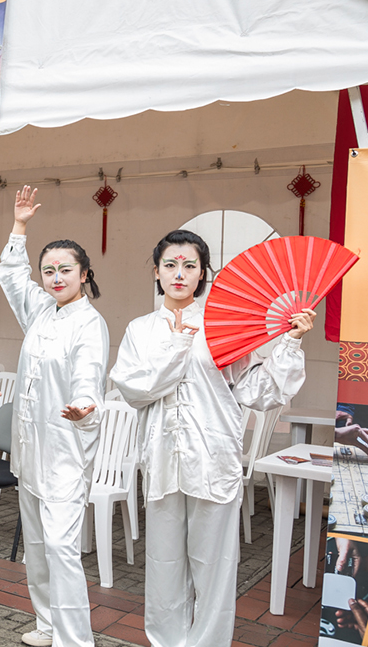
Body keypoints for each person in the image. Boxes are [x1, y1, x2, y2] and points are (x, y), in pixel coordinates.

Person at [109, 229, 315, 647]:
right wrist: (178, 346)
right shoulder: (140, 330)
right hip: (162, 458)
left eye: (190, 265)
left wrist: (290, 344)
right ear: (156, 271)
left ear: (203, 273)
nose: (179, 273)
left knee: (215, 564)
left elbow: (258, 390)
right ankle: (166, 641)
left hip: (213, 457)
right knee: (164, 562)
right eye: (170, 264)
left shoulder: (222, 328)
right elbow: (136, 390)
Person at [0, 186, 109, 647]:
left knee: (62, 548)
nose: (56, 277)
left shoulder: (90, 323)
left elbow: (89, 373)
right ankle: (47, 624)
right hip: (30, 451)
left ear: (83, 274)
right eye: (49, 270)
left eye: (65, 269)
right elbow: (11, 277)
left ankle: (75, 638)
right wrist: (20, 226)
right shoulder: (41, 311)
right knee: (39, 546)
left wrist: (84, 405)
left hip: (64, 450)